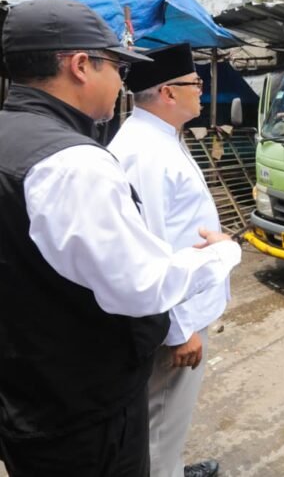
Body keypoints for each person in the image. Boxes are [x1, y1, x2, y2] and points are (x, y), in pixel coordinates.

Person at [0, 0, 241, 477]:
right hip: (83, 410)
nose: (121, 82)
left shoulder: (18, 137)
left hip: (31, 392)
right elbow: (141, 283)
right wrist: (224, 255)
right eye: (116, 66)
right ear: (81, 65)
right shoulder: (72, 162)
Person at [109, 44, 225, 477]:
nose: (203, 89)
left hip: (185, 310)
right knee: (159, 424)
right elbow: (147, 249)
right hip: (175, 321)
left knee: (167, 423)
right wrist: (179, 330)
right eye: (195, 82)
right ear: (168, 93)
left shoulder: (159, 137)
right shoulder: (144, 152)